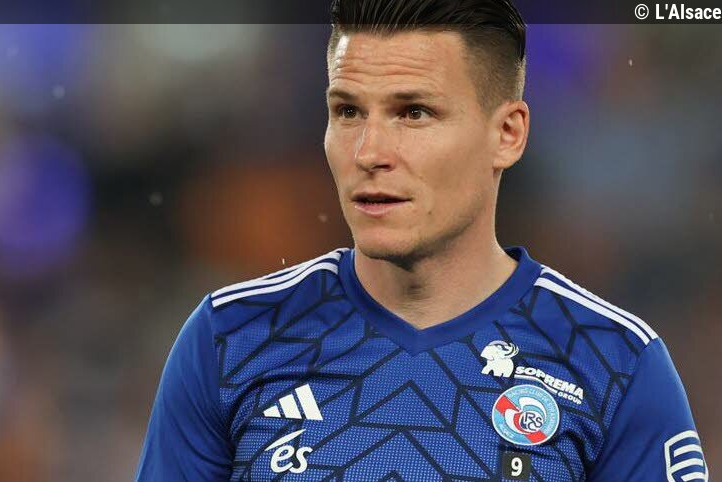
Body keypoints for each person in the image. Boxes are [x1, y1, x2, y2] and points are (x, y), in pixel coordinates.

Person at [136, 0, 708, 480]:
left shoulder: (615, 364)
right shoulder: (230, 338)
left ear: (507, 134)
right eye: (348, 111)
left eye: (413, 113)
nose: (369, 152)